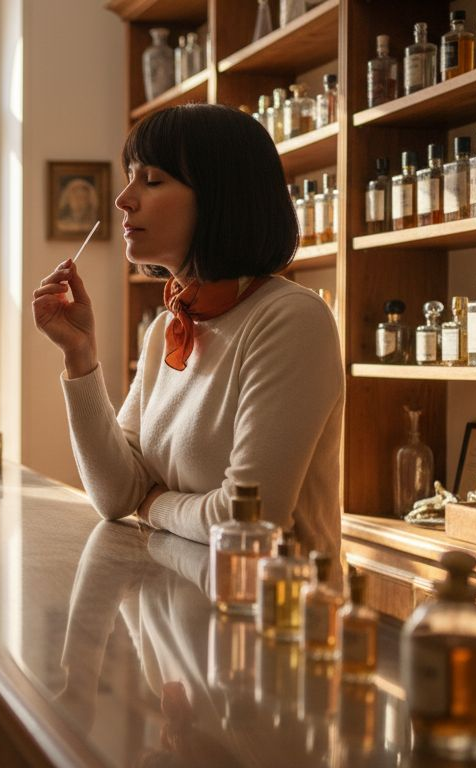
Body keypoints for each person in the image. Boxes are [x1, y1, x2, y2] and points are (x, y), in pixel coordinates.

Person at [32, 103, 344, 561]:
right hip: (175, 613)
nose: (124, 199)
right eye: (131, 177)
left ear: (220, 197)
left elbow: (248, 521)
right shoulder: (168, 328)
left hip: (270, 620)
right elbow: (117, 496)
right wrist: (80, 356)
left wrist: (156, 504)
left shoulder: (291, 319)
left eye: (152, 180)